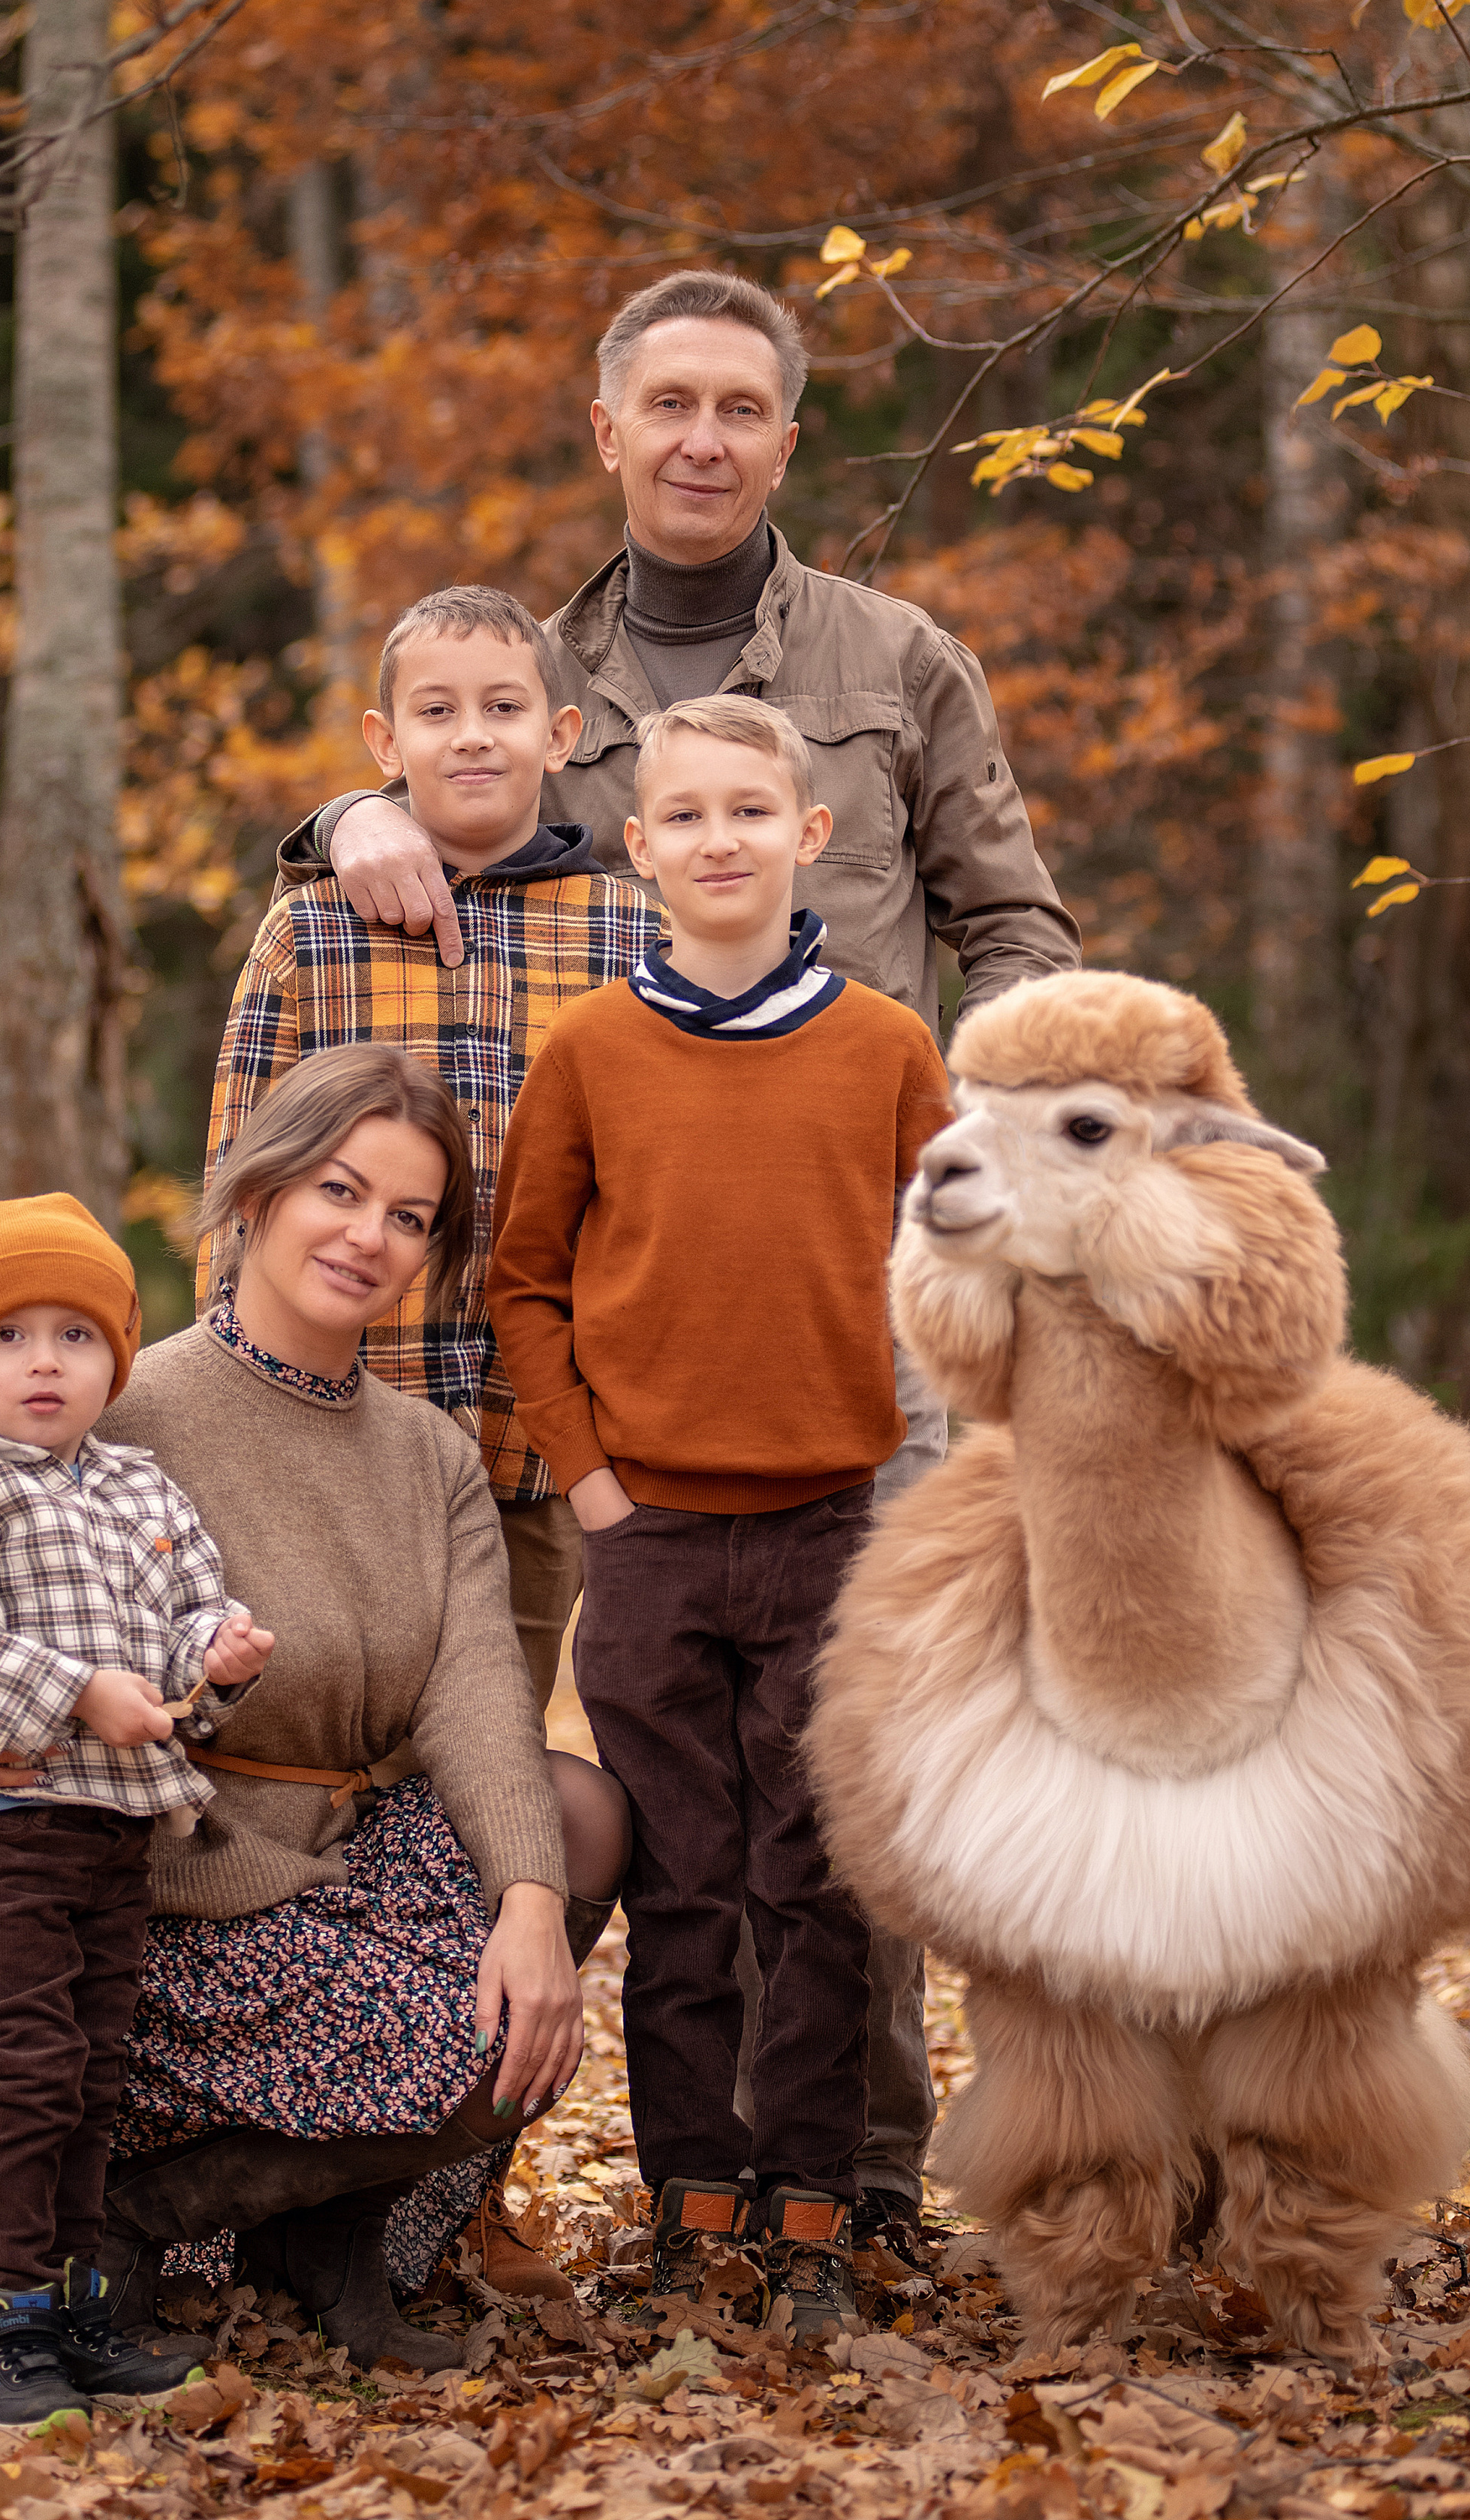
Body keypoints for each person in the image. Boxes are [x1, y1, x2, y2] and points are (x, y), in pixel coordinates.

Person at [286, 268, 1082, 2255]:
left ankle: (858, 2190)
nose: (706, 438)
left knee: (846, 1788)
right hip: (608, 1338)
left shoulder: (899, 661)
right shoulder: (530, 682)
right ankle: (472, 2197)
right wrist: (345, 810)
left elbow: (1022, 925)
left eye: (745, 406)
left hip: (867, 1322)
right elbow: (412, 793)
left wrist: (983, 1166)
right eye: (673, 405)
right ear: (610, 432)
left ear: (789, 438)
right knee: (558, 1789)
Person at [0, 1049, 630, 2374]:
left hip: (329, 1877)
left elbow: (481, 1692)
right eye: (340, 1188)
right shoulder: (110, 1394)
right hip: (140, 1897)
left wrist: (533, 1905)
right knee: (460, 2048)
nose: (369, 1236)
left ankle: (318, 2230)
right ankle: (115, 2224)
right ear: (257, 1194)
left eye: (410, 1216)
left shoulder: (432, 1452)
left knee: (577, 1827)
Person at [486, 697, 950, 2341]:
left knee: (815, 1885)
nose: (719, 841)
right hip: (650, 1543)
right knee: (684, 1887)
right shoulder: (589, 1051)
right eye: (683, 817)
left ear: (809, 834)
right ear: (640, 848)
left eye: (750, 812)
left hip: (834, 1529)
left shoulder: (889, 1051)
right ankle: (689, 2203)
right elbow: (524, 1283)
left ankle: (813, 2212)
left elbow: (949, 1269)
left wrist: (921, 1484)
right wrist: (595, 1485)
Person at [0, 1191, 275, 2435]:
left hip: (116, 1830)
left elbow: (185, 1620)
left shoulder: (141, 1487)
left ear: (115, 1363)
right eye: (11, 1336)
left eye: (76, 1337)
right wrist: (76, 1692)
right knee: (28, 2071)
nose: (45, 1361)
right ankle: (7, 2317)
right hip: (2, 1826)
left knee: (93, 2077)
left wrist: (219, 1653)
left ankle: (79, 2303)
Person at [204, 583, 656, 1715]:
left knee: (490, 1727)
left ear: (559, 738)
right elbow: (239, 1180)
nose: (470, 736)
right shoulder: (312, 930)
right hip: (340, 1414)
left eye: (504, 708)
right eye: (437, 710)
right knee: (322, 1719)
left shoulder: (631, 931)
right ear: (384, 741)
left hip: (539, 1430)